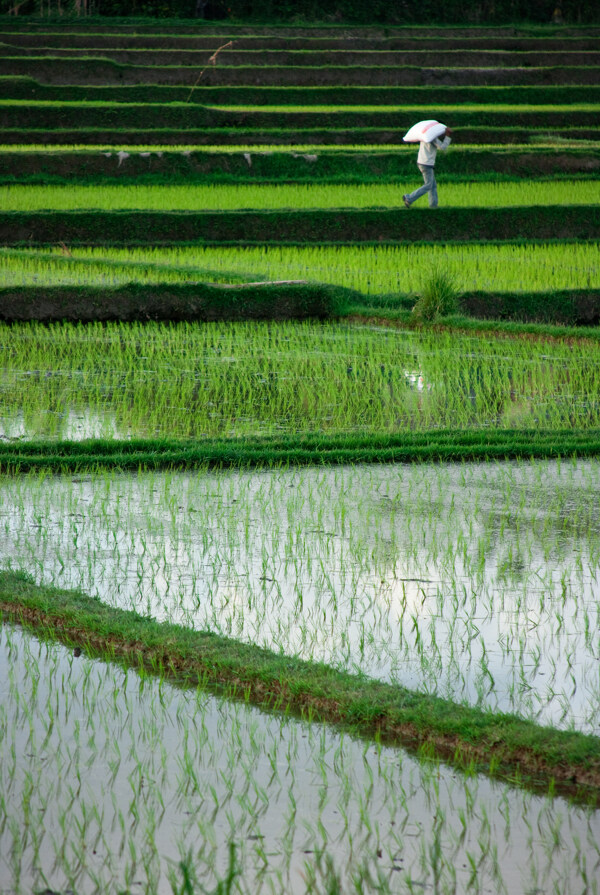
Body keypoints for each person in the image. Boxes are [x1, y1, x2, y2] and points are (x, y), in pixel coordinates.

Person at [403, 127, 453, 209]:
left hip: (422, 162)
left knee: (432, 185)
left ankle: (433, 206)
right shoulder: (432, 138)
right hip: (427, 164)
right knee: (429, 185)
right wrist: (448, 136)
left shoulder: (425, 136)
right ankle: (409, 198)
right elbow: (443, 147)